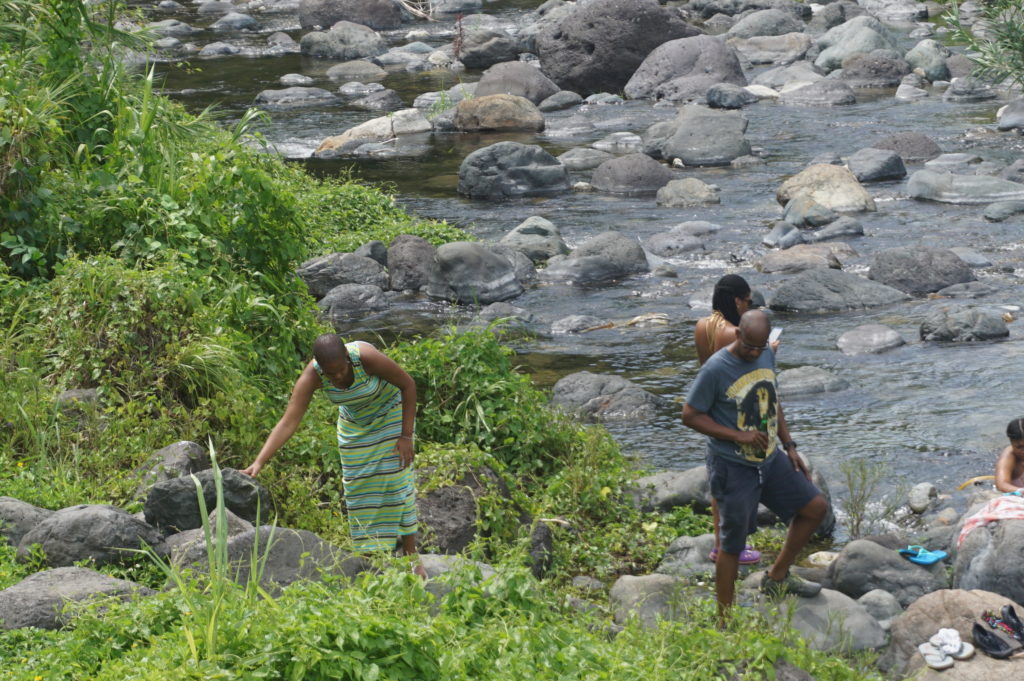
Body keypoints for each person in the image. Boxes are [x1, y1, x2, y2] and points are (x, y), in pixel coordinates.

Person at [682, 310, 827, 625]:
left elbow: (773, 400)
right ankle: (725, 619)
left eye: (759, 348)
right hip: (733, 465)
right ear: (737, 335)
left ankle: (777, 576)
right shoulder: (716, 369)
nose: (753, 353)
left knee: (815, 507)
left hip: (771, 457)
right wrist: (738, 434)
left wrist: (789, 446)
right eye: (749, 346)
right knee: (732, 544)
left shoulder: (765, 355)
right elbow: (690, 415)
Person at [242, 333, 426, 578]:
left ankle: (411, 554)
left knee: (396, 480)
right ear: (320, 368)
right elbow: (289, 421)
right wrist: (259, 461)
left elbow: (408, 385)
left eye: (340, 370)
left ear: (348, 359)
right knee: (357, 489)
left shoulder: (366, 358)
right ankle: (367, 559)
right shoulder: (312, 375)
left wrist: (406, 437)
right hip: (355, 426)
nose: (337, 377)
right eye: (330, 374)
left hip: (390, 413)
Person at [694, 275, 778, 566]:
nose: (749, 306)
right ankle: (732, 547)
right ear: (736, 301)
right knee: (735, 488)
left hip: (713, 410)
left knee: (718, 486)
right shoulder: (732, 333)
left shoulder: (703, 325)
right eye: (747, 301)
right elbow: (748, 361)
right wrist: (769, 350)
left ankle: (719, 545)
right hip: (735, 415)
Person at [995, 417, 1024, 494]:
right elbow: (1001, 485)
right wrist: (1021, 491)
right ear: (1011, 442)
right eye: (1019, 447)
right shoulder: (1008, 457)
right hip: (1015, 493)